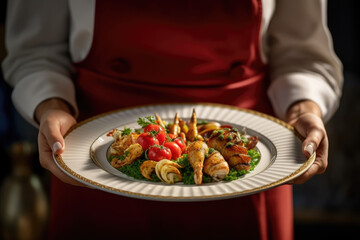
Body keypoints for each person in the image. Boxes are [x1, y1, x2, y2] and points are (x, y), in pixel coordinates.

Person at [2, 0, 342, 239]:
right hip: (94, 163)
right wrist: (52, 106)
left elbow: (303, 54)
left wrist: (302, 111)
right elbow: (36, 51)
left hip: (250, 173)